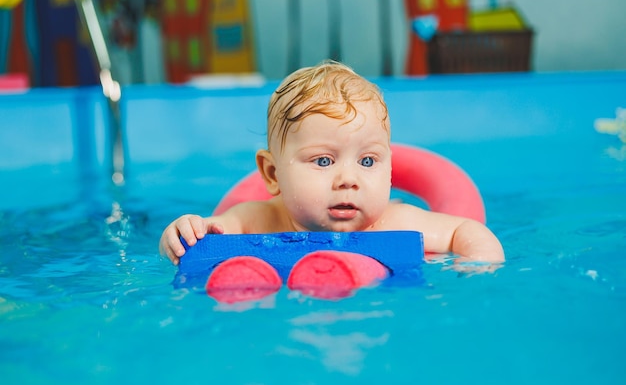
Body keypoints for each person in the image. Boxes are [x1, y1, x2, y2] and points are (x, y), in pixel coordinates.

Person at [159, 60, 504, 266]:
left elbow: (467, 230)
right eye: (323, 160)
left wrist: (476, 272)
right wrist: (181, 233)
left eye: (368, 160)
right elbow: (204, 238)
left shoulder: (393, 222)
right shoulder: (259, 219)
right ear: (272, 173)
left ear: (390, 170)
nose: (348, 180)